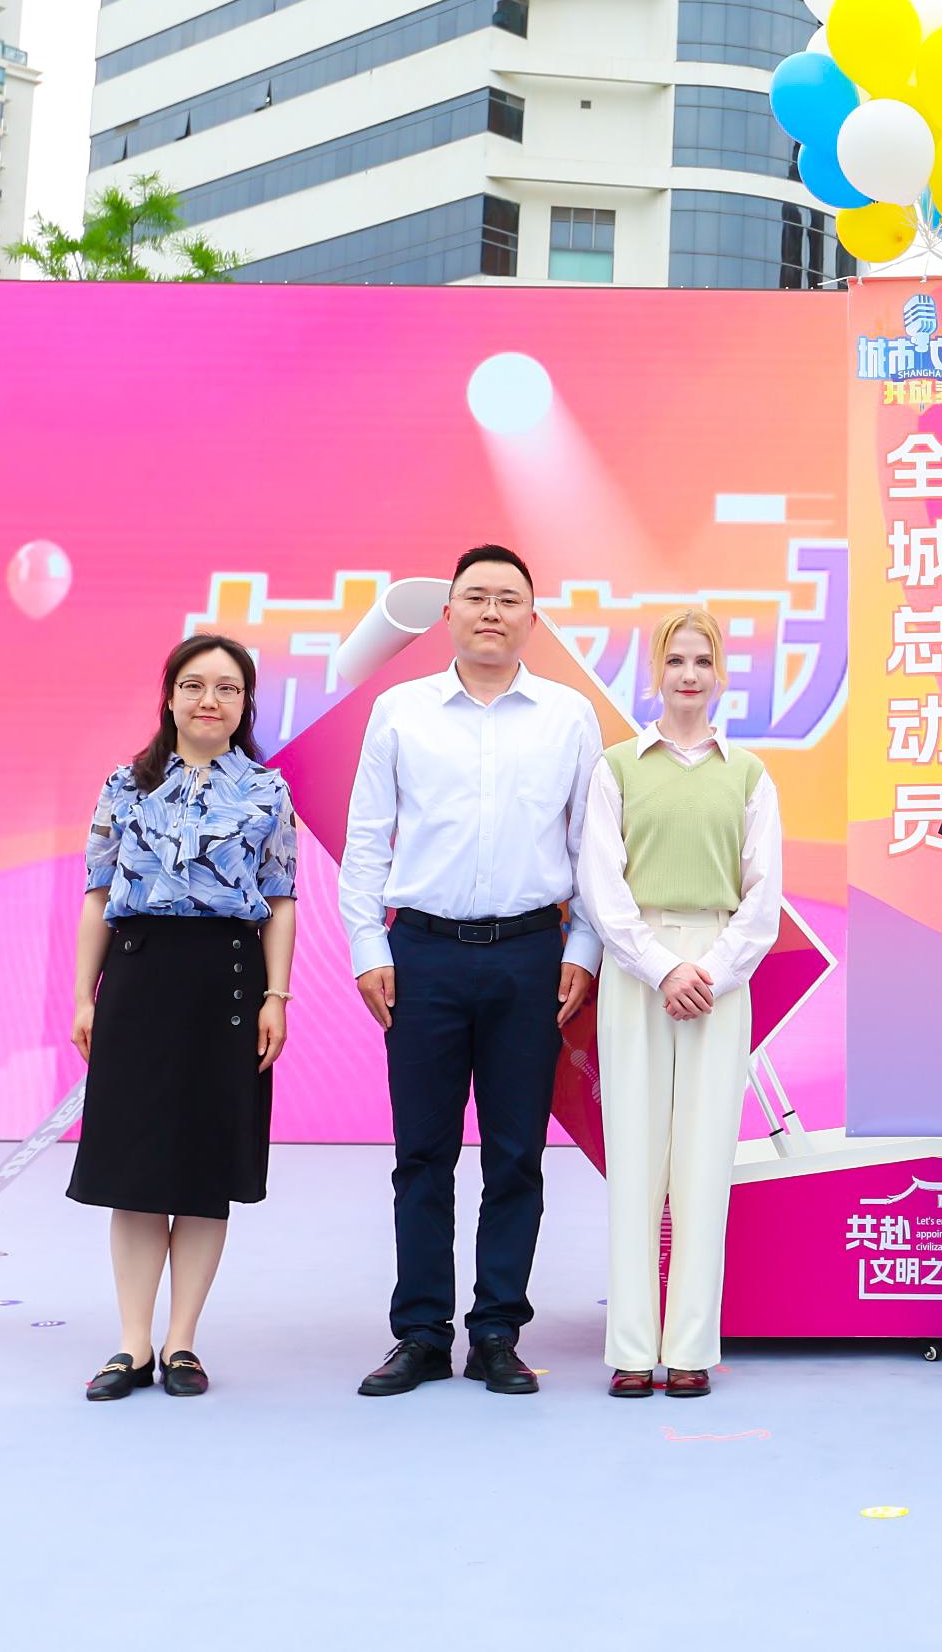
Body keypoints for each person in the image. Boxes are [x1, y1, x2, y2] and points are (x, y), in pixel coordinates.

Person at [341, 545, 600, 1399]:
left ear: (533, 618)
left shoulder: (567, 716)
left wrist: (584, 947)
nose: (492, 612)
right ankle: (420, 1333)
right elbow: (367, 839)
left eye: (509, 599)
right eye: (476, 597)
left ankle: (496, 1331)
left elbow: (590, 847)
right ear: (447, 613)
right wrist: (369, 948)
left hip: (531, 956)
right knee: (422, 1153)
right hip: (422, 955)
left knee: (516, 1154)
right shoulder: (400, 711)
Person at [68, 635, 299, 1401]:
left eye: (228, 688)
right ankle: (132, 1344)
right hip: (138, 978)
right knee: (133, 1171)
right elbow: (98, 894)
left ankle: (181, 1343)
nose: (210, 700)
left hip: (227, 984)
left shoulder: (267, 791)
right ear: (169, 696)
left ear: (246, 704)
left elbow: (282, 901)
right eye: (195, 685)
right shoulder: (125, 786)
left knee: (204, 1171)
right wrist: (84, 995)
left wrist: (276, 996)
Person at [575, 608, 784, 1399]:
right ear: (656, 673)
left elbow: (762, 897)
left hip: (720, 968)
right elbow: (602, 886)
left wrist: (711, 971)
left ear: (720, 674)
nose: (689, 674)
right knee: (635, 1159)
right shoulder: (618, 768)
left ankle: (691, 1346)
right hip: (637, 970)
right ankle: (632, 1349)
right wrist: (663, 969)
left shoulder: (749, 775)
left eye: (702, 661)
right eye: (675, 661)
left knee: (704, 1162)